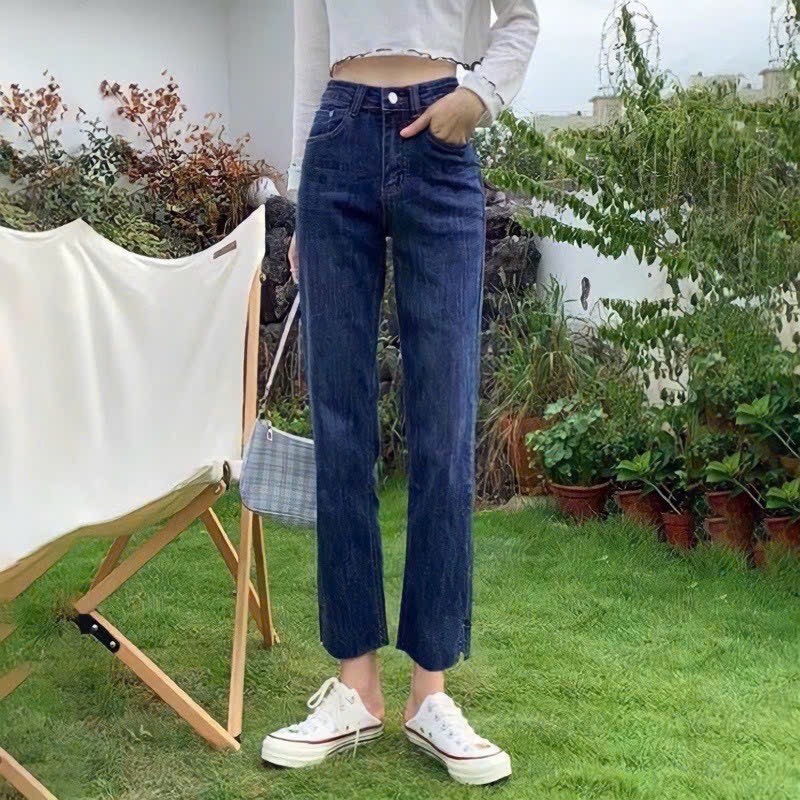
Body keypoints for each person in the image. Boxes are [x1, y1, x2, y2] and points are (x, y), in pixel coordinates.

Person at [261, 0, 539, 785]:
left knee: (444, 430)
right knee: (340, 427)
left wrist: (478, 96)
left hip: (440, 138)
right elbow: (310, 57)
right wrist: (302, 201)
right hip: (337, 139)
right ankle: (356, 687)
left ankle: (430, 694)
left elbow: (520, 18)